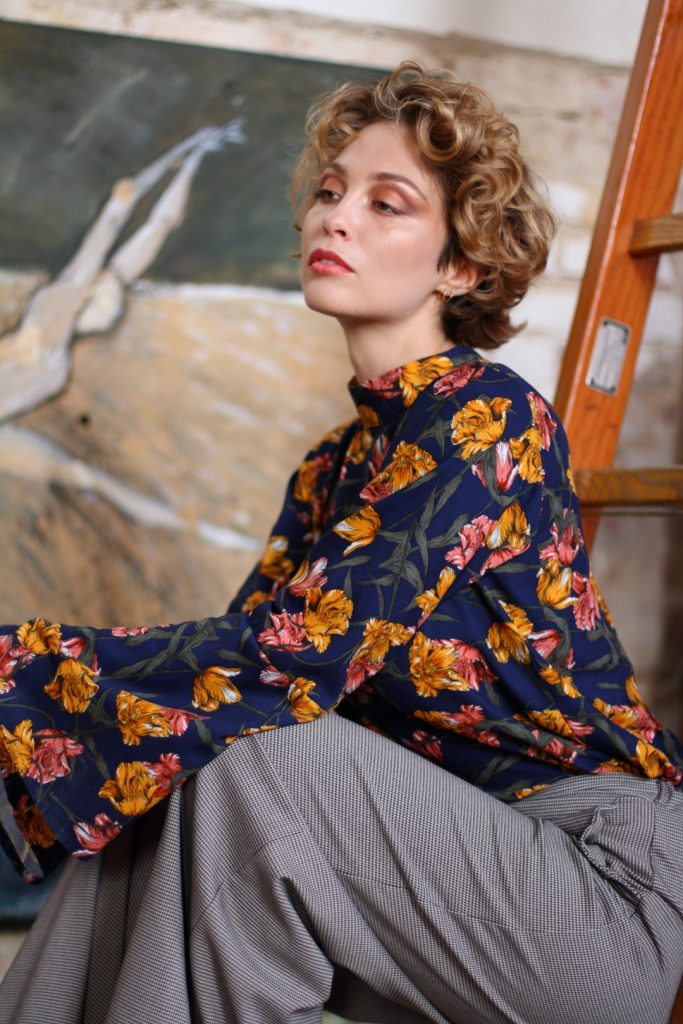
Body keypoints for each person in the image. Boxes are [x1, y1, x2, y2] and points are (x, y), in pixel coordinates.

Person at [0, 61, 682, 1024]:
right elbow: (230, 693)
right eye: (329, 192)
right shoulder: (335, 464)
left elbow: (293, 658)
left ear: (459, 268)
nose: (336, 219)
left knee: (255, 760)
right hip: (432, 878)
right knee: (181, 759)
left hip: (593, 891)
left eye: (385, 203)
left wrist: (19, 670)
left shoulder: (488, 418)